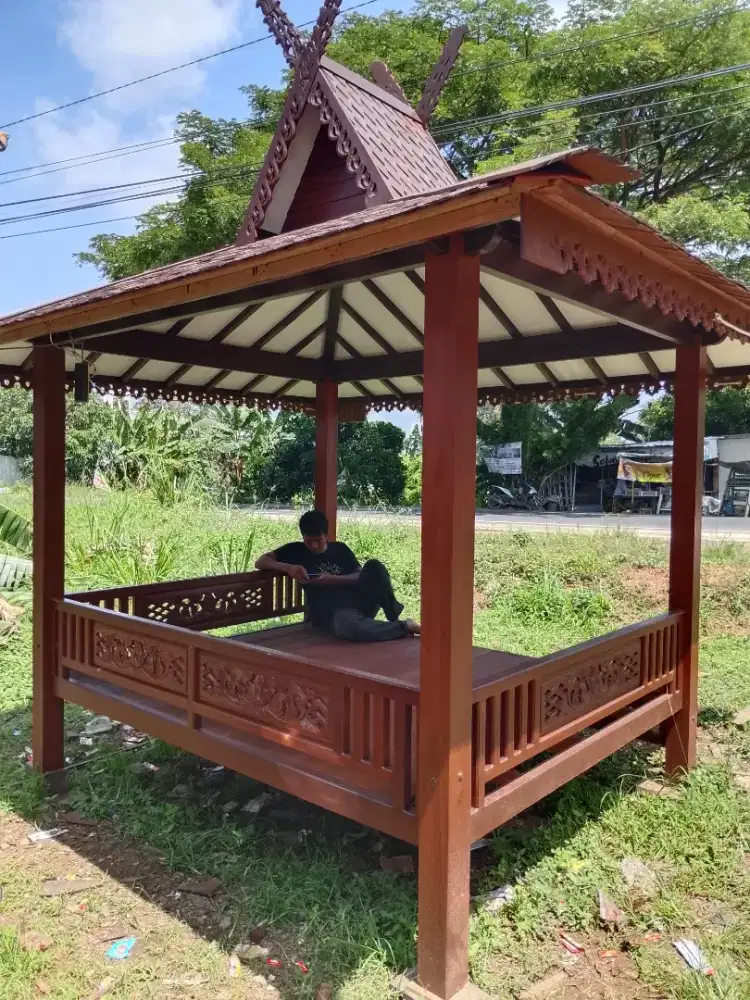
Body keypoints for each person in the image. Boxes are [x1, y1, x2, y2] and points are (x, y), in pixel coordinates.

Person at [255, 509, 420, 642]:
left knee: (374, 566)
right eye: (308, 540)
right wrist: (289, 567)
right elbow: (261, 561)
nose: (313, 545)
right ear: (303, 536)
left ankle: (392, 614)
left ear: (326, 535)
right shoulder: (295, 551)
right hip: (333, 613)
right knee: (347, 627)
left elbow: (359, 575)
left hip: (359, 602)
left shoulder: (340, 549)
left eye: (318, 540)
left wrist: (332, 579)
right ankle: (404, 626)